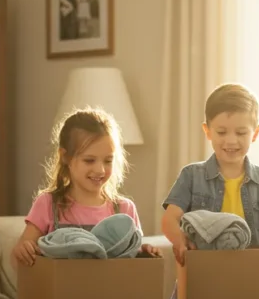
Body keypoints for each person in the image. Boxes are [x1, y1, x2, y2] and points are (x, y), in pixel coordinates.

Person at [161, 83, 259, 299]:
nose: (231, 141)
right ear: (207, 131)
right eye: (221, 132)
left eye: (241, 133)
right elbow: (170, 219)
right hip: (204, 278)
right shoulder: (191, 176)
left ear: (255, 133)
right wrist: (180, 241)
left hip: (253, 279)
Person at [13, 108, 160, 266]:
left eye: (108, 161)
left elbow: (133, 258)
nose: (100, 170)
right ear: (66, 157)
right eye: (89, 160)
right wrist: (23, 250)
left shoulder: (124, 209)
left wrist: (145, 251)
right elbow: (18, 258)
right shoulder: (48, 204)